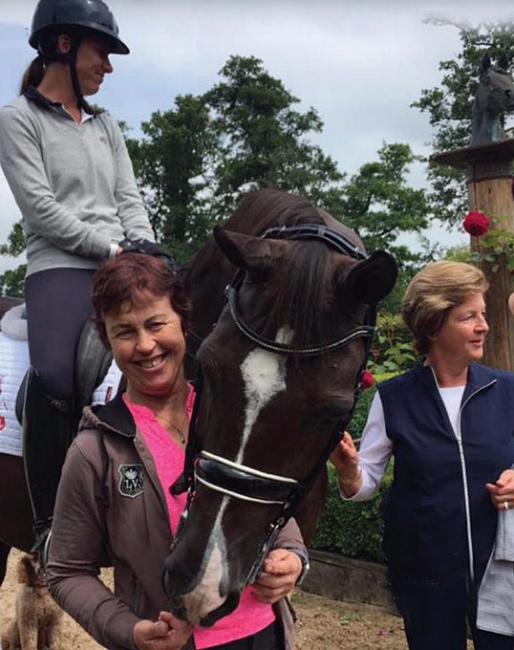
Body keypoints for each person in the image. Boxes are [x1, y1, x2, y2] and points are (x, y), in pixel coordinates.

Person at [45, 252, 308, 650]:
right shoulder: (94, 451)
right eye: (125, 332)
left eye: (156, 324)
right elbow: (66, 571)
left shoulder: (233, 418)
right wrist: (128, 630)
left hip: (263, 635)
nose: (146, 345)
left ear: (184, 322)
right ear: (108, 340)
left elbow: (269, 504)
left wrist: (293, 556)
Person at [0, 0, 155, 553]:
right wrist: (110, 246)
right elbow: (41, 210)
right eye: (102, 52)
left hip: (122, 263)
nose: (108, 67)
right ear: (62, 45)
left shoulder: (105, 125)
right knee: (58, 376)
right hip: (60, 267)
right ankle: (47, 522)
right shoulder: (17, 118)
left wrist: (143, 250)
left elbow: (129, 199)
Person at [330, 260, 514, 650]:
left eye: (483, 315)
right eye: (469, 317)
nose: (484, 326)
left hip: (501, 572)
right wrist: (349, 471)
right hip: (426, 578)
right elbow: (367, 482)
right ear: (432, 326)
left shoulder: (507, 390)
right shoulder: (394, 397)